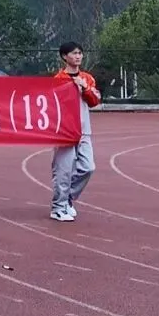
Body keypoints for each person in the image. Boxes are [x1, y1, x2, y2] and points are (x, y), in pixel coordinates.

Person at [50, 41, 100, 222]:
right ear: (65, 57)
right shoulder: (58, 80)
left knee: (88, 167)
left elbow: (95, 101)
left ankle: (68, 198)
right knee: (63, 170)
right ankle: (58, 207)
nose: (78, 56)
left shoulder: (87, 78)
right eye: (74, 53)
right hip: (64, 131)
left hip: (84, 130)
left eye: (80, 53)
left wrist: (84, 87)